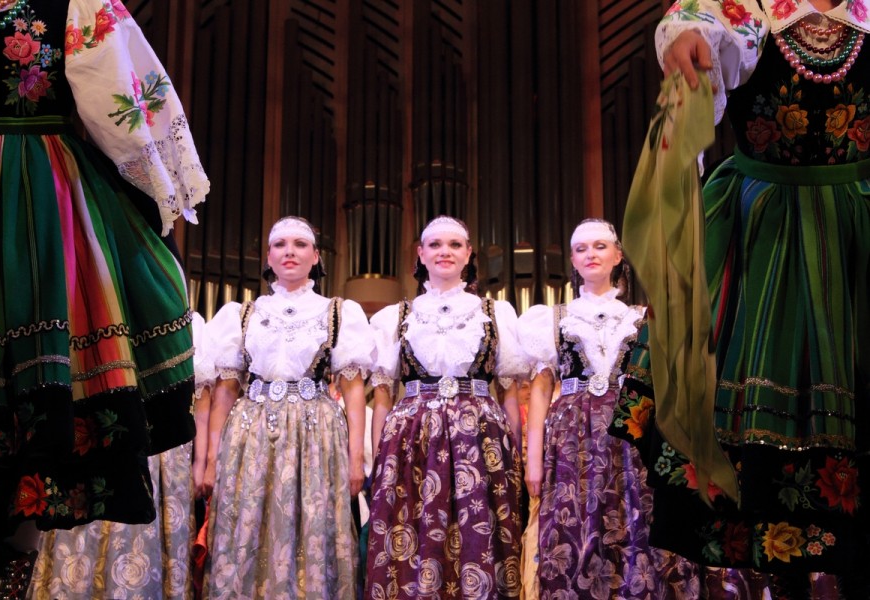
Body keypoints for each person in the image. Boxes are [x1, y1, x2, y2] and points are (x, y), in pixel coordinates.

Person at [611, 0, 870, 592]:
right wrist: (690, 54)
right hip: (765, 239)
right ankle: (786, 582)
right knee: (760, 436)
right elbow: (696, 33)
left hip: (856, 234)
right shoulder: (744, 10)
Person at [0, 0, 208, 596]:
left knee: (36, 409)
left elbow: (120, 101)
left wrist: (156, 195)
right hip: (17, 193)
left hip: (38, 202)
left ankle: (9, 578)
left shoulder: (73, 4)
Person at [517, 219, 698, 599]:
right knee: (574, 524)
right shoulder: (552, 318)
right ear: (572, 260)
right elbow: (540, 391)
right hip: (572, 437)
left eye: (600, 246)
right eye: (581, 249)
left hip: (631, 431)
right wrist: (533, 460)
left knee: (635, 520)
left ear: (617, 256)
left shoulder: (641, 317)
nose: (591, 254)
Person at [201, 216, 373, 599]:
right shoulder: (243, 314)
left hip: (316, 433)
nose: (289, 252)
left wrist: (356, 459)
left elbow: (354, 390)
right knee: (249, 523)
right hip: (252, 432)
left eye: (299, 244)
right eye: (280, 245)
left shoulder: (337, 312)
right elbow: (225, 392)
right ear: (268, 256)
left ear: (315, 256)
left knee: (312, 524)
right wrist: (212, 459)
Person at [364, 215, 527, 600]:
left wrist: (515, 454)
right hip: (412, 439)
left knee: (479, 534)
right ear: (420, 254)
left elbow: (508, 391)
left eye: (455, 244)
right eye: (435, 245)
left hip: (481, 439)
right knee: (413, 531)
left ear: (468, 254)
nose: (445, 252)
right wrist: (380, 456)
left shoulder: (496, 313)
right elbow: (383, 394)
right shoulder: (396, 317)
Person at [27, 312, 213, 599]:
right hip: (96, 428)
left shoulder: (186, 322)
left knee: (141, 541)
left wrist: (201, 461)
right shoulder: (86, 310)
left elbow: (199, 398)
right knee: (84, 535)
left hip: (159, 447)